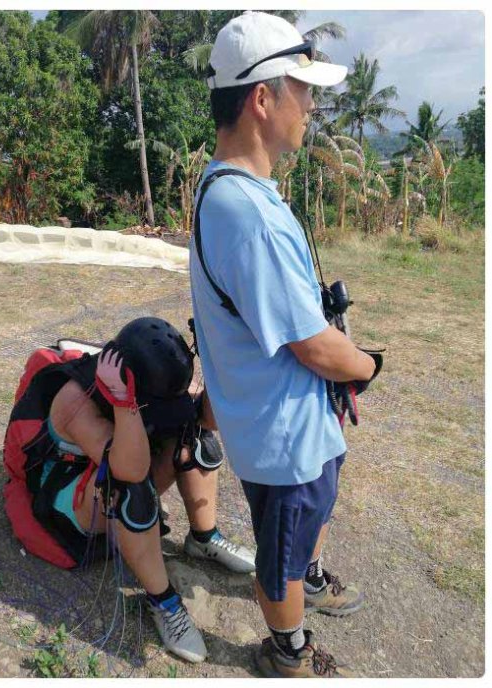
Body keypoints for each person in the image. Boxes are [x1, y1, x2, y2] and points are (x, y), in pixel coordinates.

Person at [190, 11, 383, 678]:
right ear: (262, 98)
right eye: (301, 89)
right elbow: (312, 346)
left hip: (289, 425)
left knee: (302, 529)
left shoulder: (228, 189)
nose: (312, 105)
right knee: (279, 557)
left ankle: (309, 576)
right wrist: (367, 365)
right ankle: (287, 648)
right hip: (284, 439)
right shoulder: (246, 215)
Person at [3, 317, 256, 664]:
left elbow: (208, 420)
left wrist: (215, 365)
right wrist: (125, 404)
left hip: (114, 455)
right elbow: (130, 470)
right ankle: (163, 601)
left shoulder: (155, 380)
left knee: (194, 440)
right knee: (127, 489)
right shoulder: (78, 404)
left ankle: (203, 537)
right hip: (69, 501)